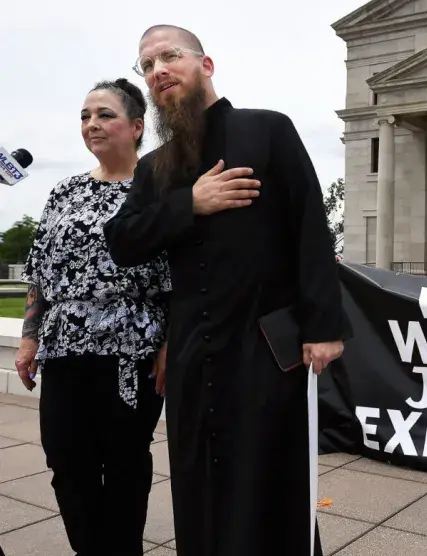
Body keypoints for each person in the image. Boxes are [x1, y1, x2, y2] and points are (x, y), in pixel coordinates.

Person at [102, 25, 351, 556]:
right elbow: (122, 241)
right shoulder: (155, 167)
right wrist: (189, 204)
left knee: (272, 482)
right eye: (146, 66)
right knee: (199, 482)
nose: (158, 71)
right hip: (193, 353)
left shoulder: (269, 130)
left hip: (266, 345)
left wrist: (324, 326)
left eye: (169, 56)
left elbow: (310, 228)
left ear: (206, 64)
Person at [14, 78, 169, 556]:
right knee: (65, 462)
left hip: (132, 354)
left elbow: (183, 276)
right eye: (85, 116)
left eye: (104, 115)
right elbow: (40, 271)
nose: (91, 124)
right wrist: (30, 337)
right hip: (63, 352)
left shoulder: (161, 190)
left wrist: (172, 344)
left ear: (137, 126)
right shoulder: (65, 192)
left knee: (124, 465)